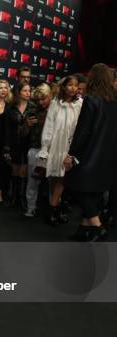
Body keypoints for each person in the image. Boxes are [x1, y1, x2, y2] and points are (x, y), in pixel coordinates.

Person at [64, 63, 117, 241]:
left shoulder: (91, 100)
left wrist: (71, 154)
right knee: (93, 194)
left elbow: (83, 131)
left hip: (89, 155)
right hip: (107, 156)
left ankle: (97, 226)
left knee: (75, 187)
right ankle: (84, 230)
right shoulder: (113, 101)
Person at [37, 75, 82, 225]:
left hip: (69, 146)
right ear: (64, 87)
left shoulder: (80, 104)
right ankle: (55, 209)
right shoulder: (55, 103)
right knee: (54, 178)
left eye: (76, 85)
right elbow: (49, 126)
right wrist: (45, 148)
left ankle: (52, 209)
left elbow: (80, 127)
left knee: (63, 178)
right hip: (55, 145)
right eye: (70, 85)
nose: (73, 88)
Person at [21, 83, 52, 217]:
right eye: (38, 99)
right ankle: (31, 207)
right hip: (35, 149)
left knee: (53, 184)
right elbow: (22, 134)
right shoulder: (32, 112)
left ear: (50, 95)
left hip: (52, 151)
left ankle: (53, 210)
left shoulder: (57, 111)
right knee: (32, 182)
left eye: (43, 98)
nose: (41, 102)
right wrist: (27, 125)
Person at [4, 81, 35, 209]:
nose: (28, 93)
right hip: (14, 144)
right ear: (18, 92)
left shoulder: (33, 107)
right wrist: (6, 147)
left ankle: (22, 199)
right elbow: (6, 129)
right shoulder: (10, 108)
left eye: (29, 91)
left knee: (24, 172)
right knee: (15, 171)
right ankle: (14, 197)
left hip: (28, 143)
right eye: (25, 91)